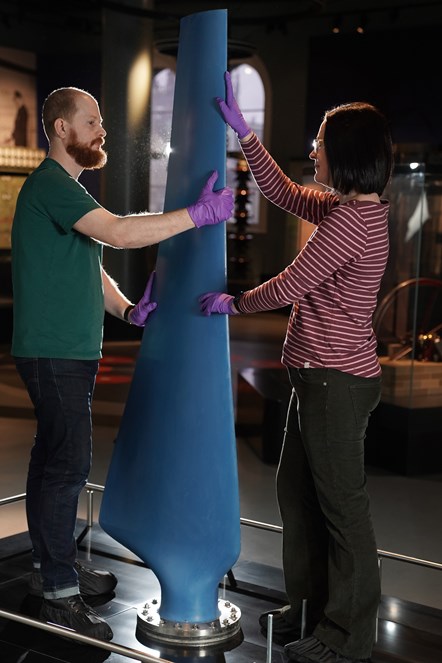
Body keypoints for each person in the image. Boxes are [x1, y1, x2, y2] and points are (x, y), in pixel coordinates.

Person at [11, 86, 233, 642]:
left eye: (101, 120)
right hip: (55, 354)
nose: (100, 129)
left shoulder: (68, 192)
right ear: (61, 129)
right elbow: (119, 232)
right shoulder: (51, 185)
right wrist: (196, 215)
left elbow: (95, 266)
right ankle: (61, 593)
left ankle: (51, 570)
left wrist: (129, 310)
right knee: (67, 467)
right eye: (91, 121)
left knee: (52, 463)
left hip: (65, 352)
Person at [199, 72, 393, 663]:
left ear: (346, 154)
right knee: (298, 496)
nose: (313, 150)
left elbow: (291, 283)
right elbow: (283, 192)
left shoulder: (351, 223)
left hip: (338, 382)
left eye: (319, 141)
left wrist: (233, 302)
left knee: (341, 510)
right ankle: (310, 610)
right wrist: (243, 133)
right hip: (318, 377)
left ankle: (346, 637)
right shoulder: (343, 205)